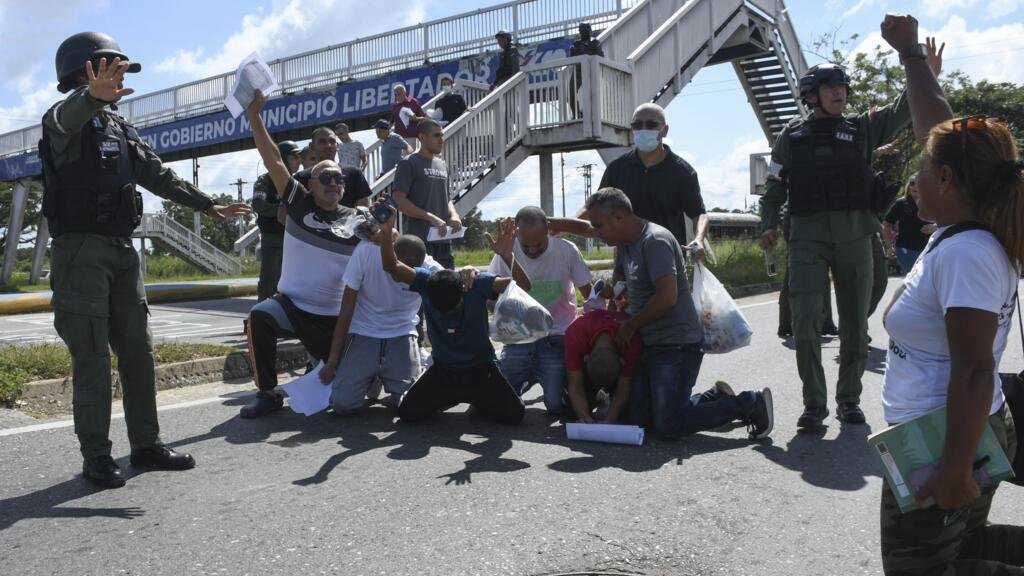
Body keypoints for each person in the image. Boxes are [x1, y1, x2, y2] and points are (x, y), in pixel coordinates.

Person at [39, 32, 250, 488]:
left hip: (121, 249)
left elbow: (156, 174)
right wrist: (90, 99)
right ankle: (96, 455)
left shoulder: (120, 128)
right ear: (85, 71)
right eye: (111, 68)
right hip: (80, 252)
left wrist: (206, 204)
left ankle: (146, 445)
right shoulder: (61, 118)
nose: (120, 77)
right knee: (92, 355)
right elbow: (68, 116)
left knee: (139, 350)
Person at [877, 14, 1024, 574]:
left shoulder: (966, 254)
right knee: (960, 549)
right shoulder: (964, 226)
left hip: (945, 438)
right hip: (953, 429)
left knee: (922, 569)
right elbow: (937, 129)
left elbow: (973, 369)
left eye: (921, 169)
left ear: (946, 182)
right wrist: (912, 57)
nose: (912, 181)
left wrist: (956, 466)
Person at [758, 44, 942, 429]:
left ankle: (848, 399)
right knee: (806, 323)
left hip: (857, 235)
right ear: (812, 95)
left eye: (842, 86)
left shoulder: (862, 127)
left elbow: (899, 112)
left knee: (855, 325)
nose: (839, 92)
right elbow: (773, 188)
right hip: (806, 237)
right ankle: (813, 404)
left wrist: (923, 74)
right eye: (830, 86)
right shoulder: (790, 137)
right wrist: (769, 225)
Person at [549, 188, 773, 440]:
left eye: (599, 226)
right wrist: (616, 293)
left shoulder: (654, 241)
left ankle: (749, 403)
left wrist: (631, 325)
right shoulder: (624, 244)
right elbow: (627, 283)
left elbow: (667, 296)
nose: (596, 233)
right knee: (638, 419)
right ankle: (715, 398)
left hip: (676, 344)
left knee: (668, 425)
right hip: (648, 342)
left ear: (619, 218)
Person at [239, 91, 362, 419]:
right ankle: (267, 392)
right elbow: (273, 160)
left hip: (337, 320)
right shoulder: (298, 203)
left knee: (352, 396)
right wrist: (254, 115)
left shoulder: (358, 220)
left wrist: (389, 232)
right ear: (311, 182)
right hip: (292, 307)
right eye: (326, 177)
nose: (334, 183)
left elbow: (391, 250)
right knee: (259, 316)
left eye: (339, 179)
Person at [377, 204, 531, 424]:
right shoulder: (425, 281)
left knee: (515, 415)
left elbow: (524, 287)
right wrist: (385, 231)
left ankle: (476, 397)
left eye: (453, 309)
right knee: (407, 413)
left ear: (462, 291)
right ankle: (451, 395)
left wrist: (508, 256)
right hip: (444, 370)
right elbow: (392, 266)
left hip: (481, 368)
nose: (448, 314)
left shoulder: (476, 284)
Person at [319, 233, 443, 414]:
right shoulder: (366, 251)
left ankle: (389, 372)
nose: (402, 276)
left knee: (412, 404)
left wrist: (470, 271)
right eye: (398, 267)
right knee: (341, 405)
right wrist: (332, 362)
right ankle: (372, 377)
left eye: (410, 272)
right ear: (391, 255)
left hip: (402, 335)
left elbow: (453, 282)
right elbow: (345, 311)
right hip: (364, 333)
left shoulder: (429, 268)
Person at [488, 206, 593, 415]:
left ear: (549, 229)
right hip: (519, 337)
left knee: (556, 406)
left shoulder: (567, 250)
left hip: (556, 336)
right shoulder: (506, 251)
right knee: (496, 402)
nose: (533, 251)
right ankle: (527, 378)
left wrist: (591, 339)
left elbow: (590, 295)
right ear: (516, 234)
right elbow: (490, 298)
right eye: (526, 246)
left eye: (539, 244)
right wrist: (501, 307)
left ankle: (545, 380)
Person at [596, 103, 709, 261]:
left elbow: (699, 213)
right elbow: (595, 206)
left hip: (669, 263)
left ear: (665, 129)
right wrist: (563, 227)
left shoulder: (682, 172)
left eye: (651, 124)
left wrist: (699, 239)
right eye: (637, 125)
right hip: (627, 265)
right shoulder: (617, 169)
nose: (643, 129)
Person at [393, 119, 461, 270]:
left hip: (444, 241)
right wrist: (430, 217)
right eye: (436, 136)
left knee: (449, 287)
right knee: (422, 291)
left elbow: (447, 198)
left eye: (442, 135)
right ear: (422, 138)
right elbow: (399, 200)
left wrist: (454, 215)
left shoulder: (442, 164)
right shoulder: (408, 163)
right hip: (418, 244)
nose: (441, 140)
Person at [564, 307, 641, 424]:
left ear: (622, 361)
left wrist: (610, 419)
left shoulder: (630, 339)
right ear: (586, 358)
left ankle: (608, 399)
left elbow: (624, 387)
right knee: (572, 413)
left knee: (628, 417)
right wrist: (584, 417)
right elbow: (575, 385)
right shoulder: (575, 333)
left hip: (617, 373)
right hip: (591, 372)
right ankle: (601, 397)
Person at [774, 202, 839, 338]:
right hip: (797, 239)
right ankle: (785, 324)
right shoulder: (791, 192)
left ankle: (826, 323)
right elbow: (786, 221)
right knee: (790, 284)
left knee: (823, 282)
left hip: (815, 238)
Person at [252, 140, 301, 301]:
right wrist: (281, 210)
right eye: (294, 157)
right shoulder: (265, 180)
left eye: (299, 157)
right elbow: (258, 204)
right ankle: (260, 319)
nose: (298, 161)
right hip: (273, 238)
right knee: (269, 282)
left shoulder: (297, 182)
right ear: (284, 159)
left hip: (293, 238)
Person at [883, 172, 935, 274]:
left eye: (918, 183)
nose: (915, 186)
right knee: (916, 278)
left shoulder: (932, 203)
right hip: (906, 249)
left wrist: (935, 227)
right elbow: (887, 224)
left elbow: (945, 222)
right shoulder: (901, 204)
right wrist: (889, 247)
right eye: (912, 183)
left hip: (929, 249)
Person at [309, 126, 371, 208]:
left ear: (337, 146)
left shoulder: (354, 174)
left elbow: (364, 209)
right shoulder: (302, 177)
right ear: (312, 147)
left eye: (332, 141)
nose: (328, 145)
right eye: (322, 142)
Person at [568, 22, 604, 118]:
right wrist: (572, 52)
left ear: (590, 31)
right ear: (579, 32)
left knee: (592, 94)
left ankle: (592, 114)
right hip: (577, 72)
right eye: (582, 31)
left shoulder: (595, 43)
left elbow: (601, 57)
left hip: (590, 71)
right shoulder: (576, 44)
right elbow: (572, 59)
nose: (584, 33)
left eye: (586, 31)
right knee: (570, 93)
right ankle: (577, 113)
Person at [390, 83, 425, 149]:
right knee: (401, 159)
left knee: (411, 158)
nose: (397, 97)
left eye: (399, 94)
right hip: (399, 139)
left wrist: (416, 119)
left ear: (404, 93)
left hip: (411, 137)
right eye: (395, 95)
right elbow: (391, 122)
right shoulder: (395, 106)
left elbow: (424, 118)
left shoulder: (413, 102)